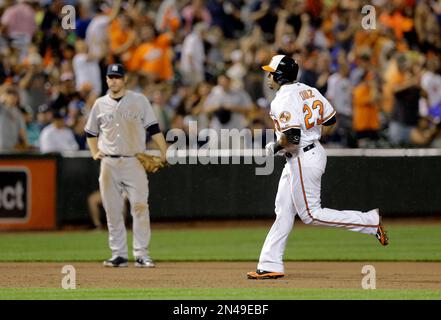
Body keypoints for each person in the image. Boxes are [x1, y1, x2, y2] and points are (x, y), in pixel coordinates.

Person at [247, 55, 389, 280]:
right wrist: (313, 138)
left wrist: (274, 147)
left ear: (281, 75)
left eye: (271, 72)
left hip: (302, 158)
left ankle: (369, 222)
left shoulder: (282, 99)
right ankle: (270, 264)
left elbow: (292, 137)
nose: (268, 76)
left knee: (312, 214)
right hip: (308, 154)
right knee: (283, 210)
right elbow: (331, 120)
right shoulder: (308, 90)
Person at [84, 64, 167, 268]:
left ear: (125, 79)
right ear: (106, 80)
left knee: (140, 206)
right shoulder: (100, 104)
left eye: (117, 77)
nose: (114, 80)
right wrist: (95, 152)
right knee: (112, 209)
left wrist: (164, 151)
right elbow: (90, 133)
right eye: (110, 77)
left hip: (134, 160)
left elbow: (153, 128)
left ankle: (141, 254)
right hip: (109, 163)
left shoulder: (139, 100)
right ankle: (118, 254)